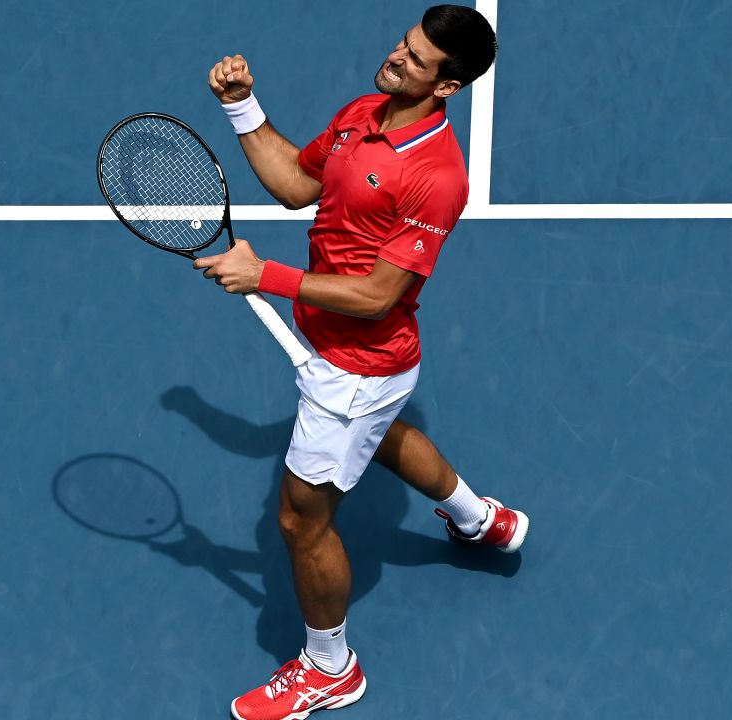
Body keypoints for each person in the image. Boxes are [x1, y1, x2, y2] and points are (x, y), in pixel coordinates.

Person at [195, 6, 527, 719]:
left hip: (360, 367)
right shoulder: (363, 111)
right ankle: (481, 521)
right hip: (350, 358)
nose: (396, 59)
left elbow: (378, 296)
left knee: (299, 521)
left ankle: (330, 668)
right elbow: (295, 186)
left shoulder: (437, 178)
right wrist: (242, 107)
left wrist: (267, 277)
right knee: (381, 440)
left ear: (449, 86)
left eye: (416, 61)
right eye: (403, 45)